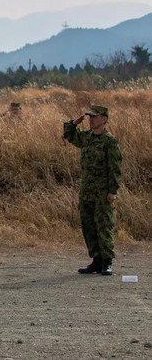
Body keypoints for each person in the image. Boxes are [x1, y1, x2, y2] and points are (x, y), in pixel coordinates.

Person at [63, 105, 122, 276]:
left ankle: (107, 261)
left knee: (104, 226)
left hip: (103, 191)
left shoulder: (110, 141)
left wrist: (113, 191)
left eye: (95, 117)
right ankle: (96, 260)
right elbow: (69, 135)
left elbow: (115, 168)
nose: (91, 120)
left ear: (104, 119)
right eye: (90, 117)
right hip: (87, 190)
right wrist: (74, 123)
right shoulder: (87, 138)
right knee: (88, 225)